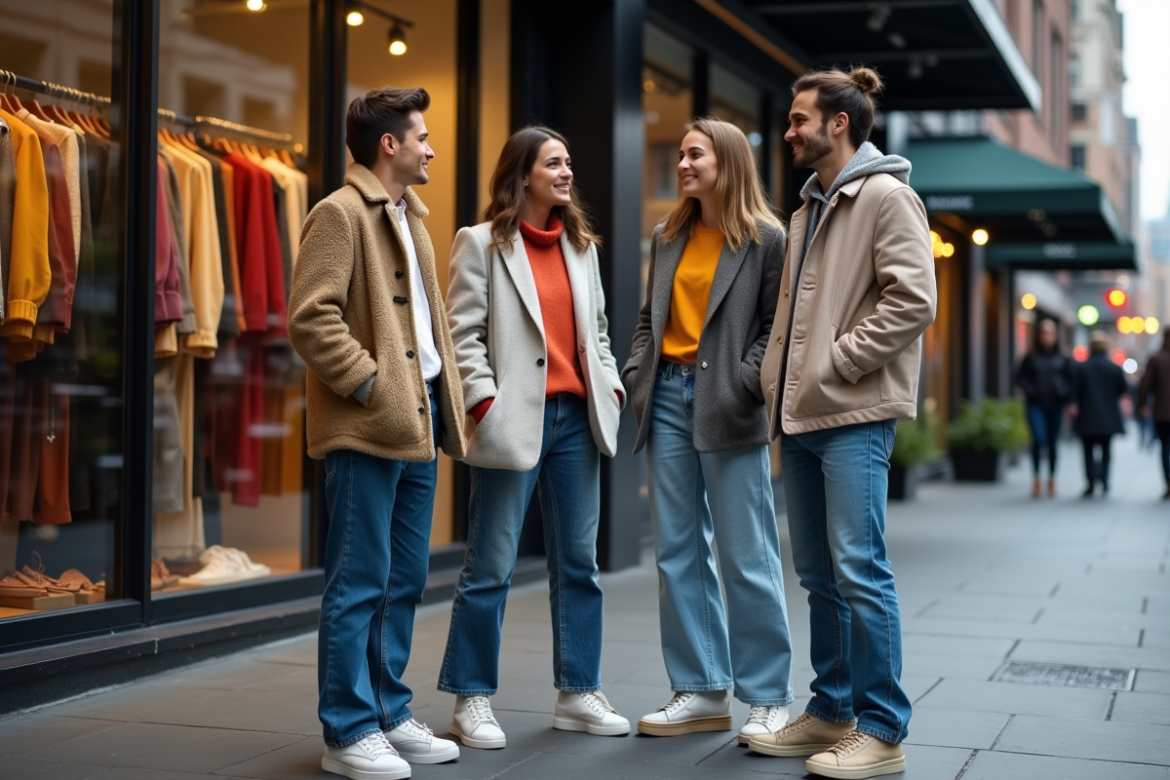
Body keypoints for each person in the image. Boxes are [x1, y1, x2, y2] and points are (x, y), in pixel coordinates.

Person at [752, 66, 936, 780]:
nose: (789, 130)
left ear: (838, 123)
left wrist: (835, 363)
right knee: (820, 574)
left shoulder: (888, 197)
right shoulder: (807, 208)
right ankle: (832, 709)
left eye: (800, 118)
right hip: (800, 415)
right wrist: (783, 378)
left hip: (853, 411)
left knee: (860, 568)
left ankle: (883, 727)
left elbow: (912, 300)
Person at [289, 86, 466, 780]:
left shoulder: (411, 221)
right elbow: (311, 318)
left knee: (404, 580)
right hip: (369, 424)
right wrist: (372, 384)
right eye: (421, 136)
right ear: (388, 145)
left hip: (416, 424)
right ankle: (348, 729)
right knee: (359, 581)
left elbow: (428, 327)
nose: (430, 147)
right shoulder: (337, 214)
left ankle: (389, 712)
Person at [440, 126, 630, 748]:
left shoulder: (581, 247)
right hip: (512, 420)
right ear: (522, 174)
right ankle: (472, 699)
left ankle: (579, 692)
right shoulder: (480, 244)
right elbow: (461, 335)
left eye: (569, 162)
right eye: (554, 163)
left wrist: (608, 382)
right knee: (490, 564)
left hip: (577, 419)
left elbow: (598, 331)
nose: (568, 172)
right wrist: (484, 401)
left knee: (579, 563)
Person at [621, 117, 795, 744]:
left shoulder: (766, 238)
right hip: (666, 395)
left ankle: (769, 696)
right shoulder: (670, 234)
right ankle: (699, 688)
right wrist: (640, 372)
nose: (682, 164)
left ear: (726, 162)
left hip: (728, 402)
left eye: (695, 154)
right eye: (682, 156)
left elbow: (776, 325)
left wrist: (744, 382)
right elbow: (648, 318)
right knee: (677, 552)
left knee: (747, 554)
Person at [1016, 319, 1074, 497]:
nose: (1047, 337)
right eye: (1044, 333)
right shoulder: (1031, 356)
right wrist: (1030, 390)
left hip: (1055, 405)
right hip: (1035, 404)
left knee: (1052, 442)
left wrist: (1063, 393)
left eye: (1050, 333)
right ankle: (1036, 479)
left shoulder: (1063, 358)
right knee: (1038, 439)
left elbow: (1071, 380)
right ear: (1038, 336)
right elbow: (1019, 378)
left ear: (1056, 336)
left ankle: (1051, 479)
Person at [1071, 331, 1129, 497]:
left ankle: (1090, 481)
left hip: (1087, 415)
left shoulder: (1081, 367)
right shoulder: (1114, 368)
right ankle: (1104, 479)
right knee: (1106, 449)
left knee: (1087, 450)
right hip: (1108, 416)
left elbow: (1074, 390)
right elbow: (1123, 390)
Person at [1137, 331, 1170, 499]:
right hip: (1162, 411)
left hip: (1163, 412)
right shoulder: (1156, 358)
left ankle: (1168, 483)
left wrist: (1141, 404)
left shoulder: (1156, 358)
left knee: (1165, 448)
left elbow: (1145, 384)